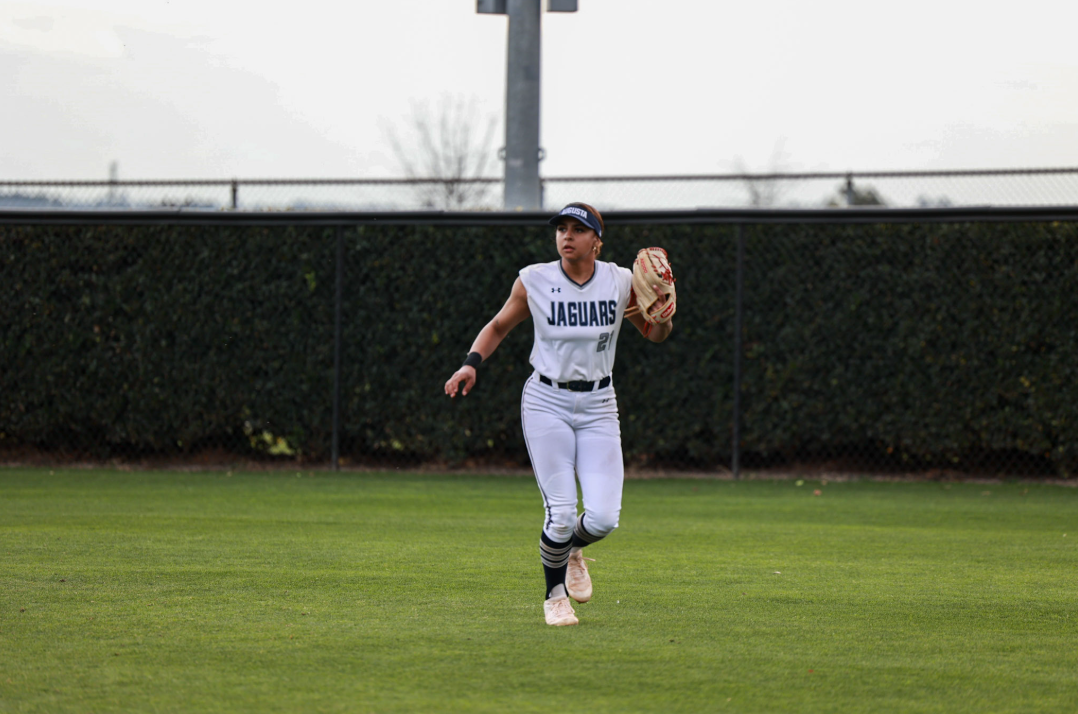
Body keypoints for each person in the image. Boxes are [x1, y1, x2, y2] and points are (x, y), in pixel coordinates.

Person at [444, 202, 673, 626]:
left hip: (599, 406)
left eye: (577, 229)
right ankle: (554, 596)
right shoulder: (534, 279)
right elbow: (497, 326)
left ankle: (571, 550)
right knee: (562, 511)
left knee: (603, 519)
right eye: (561, 228)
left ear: (596, 242)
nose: (567, 236)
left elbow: (654, 333)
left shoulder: (620, 281)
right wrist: (470, 363)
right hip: (546, 402)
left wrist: (662, 315)